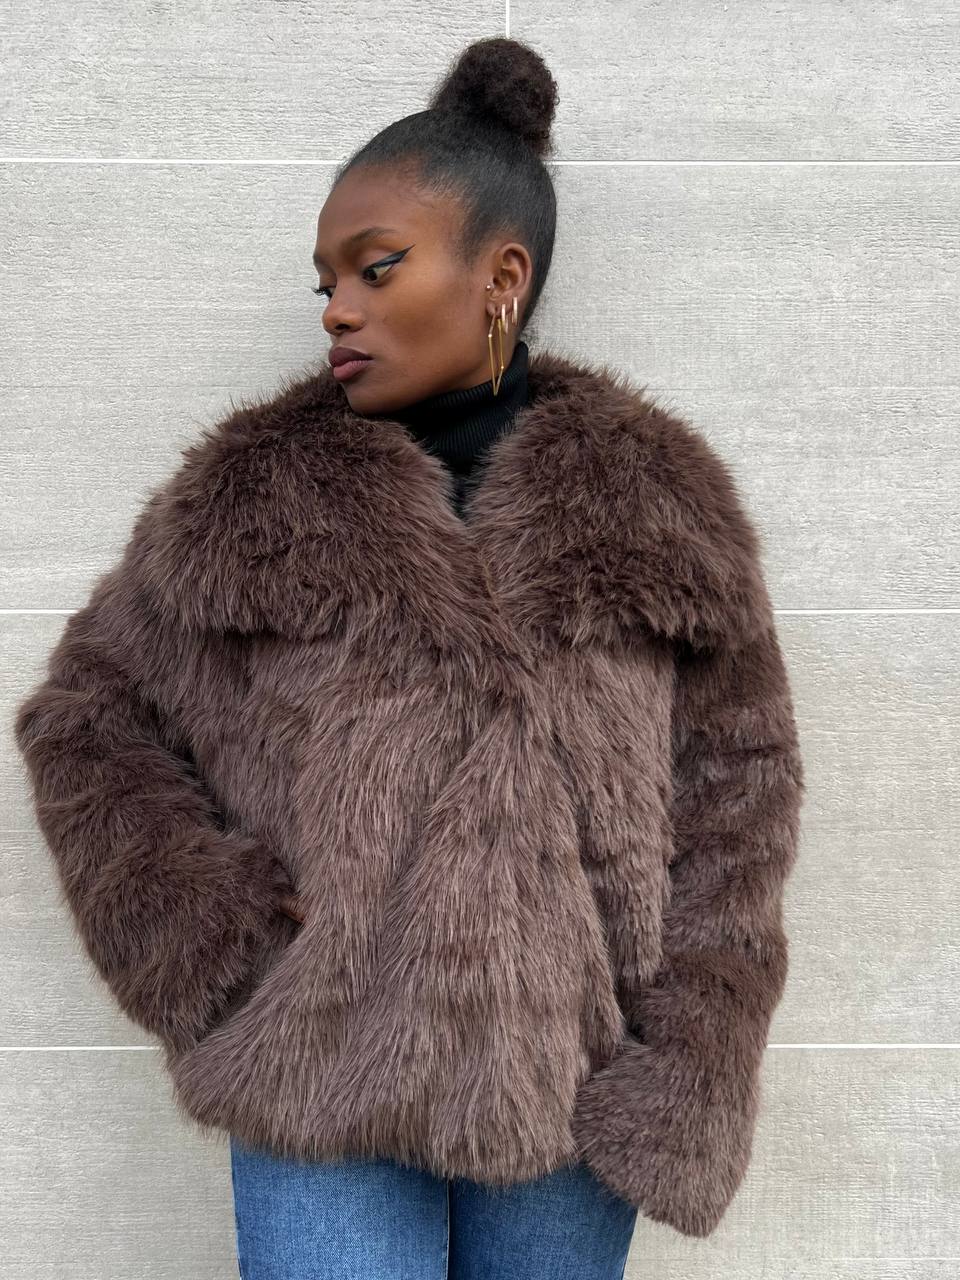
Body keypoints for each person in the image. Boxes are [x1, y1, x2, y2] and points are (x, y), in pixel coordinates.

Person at [13, 36, 805, 1280]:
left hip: (573, 1083)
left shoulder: (656, 503)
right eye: (326, 281)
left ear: (502, 276)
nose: (338, 306)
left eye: (375, 268)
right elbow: (84, 721)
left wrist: (691, 1045)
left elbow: (741, 789)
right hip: (320, 1075)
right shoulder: (251, 497)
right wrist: (209, 933)